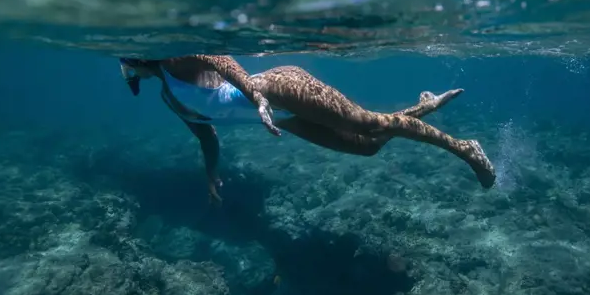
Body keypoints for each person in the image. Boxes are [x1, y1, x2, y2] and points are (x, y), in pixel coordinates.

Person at [119, 55, 495, 203]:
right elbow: (206, 135)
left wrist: (255, 94)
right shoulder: (170, 99)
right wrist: (211, 175)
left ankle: (465, 148)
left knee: (368, 122)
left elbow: (218, 59)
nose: (129, 70)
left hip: (278, 88)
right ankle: (421, 107)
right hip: (284, 119)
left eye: (127, 63)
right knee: (368, 146)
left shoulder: (174, 63)